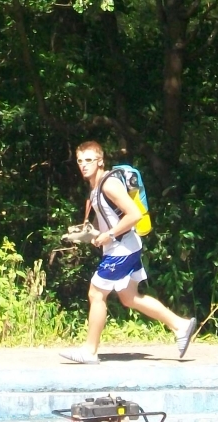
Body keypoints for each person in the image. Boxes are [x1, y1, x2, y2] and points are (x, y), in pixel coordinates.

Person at [59, 141, 197, 365]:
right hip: (125, 246)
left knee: (96, 294)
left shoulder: (109, 185)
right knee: (129, 297)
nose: (84, 165)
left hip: (121, 248)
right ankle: (180, 325)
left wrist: (110, 235)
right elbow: (108, 219)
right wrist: (89, 234)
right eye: (80, 161)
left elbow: (134, 214)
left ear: (100, 161)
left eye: (89, 160)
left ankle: (90, 351)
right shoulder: (95, 188)